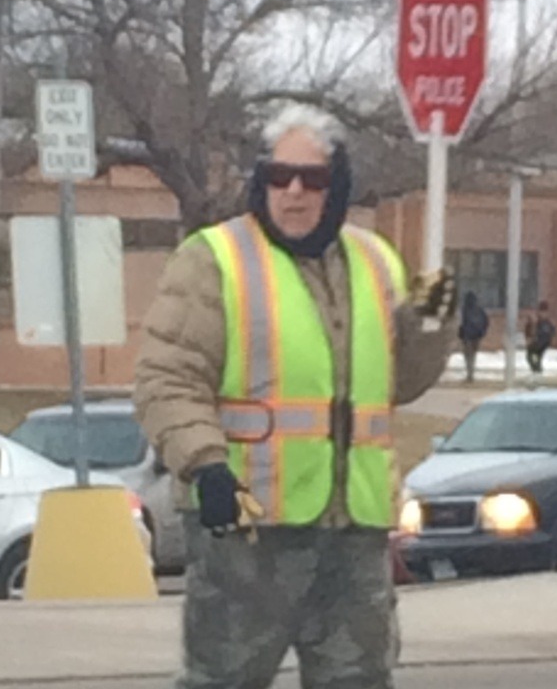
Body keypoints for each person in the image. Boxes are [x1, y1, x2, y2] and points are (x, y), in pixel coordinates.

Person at [133, 103, 457, 689]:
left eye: (313, 179)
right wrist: (205, 465)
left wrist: (429, 328)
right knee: (223, 680)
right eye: (279, 176)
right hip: (246, 530)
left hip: (353, 530)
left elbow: (399, 386)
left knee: (358, 680)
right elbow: (167, 379)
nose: (294, 192)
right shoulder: (214, 259)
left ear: (339, 187)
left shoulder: (377, 261)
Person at [458, 291, 489, 384]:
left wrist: (460, 334)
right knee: (473, 355)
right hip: (477, 336)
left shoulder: (464, 310)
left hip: (467, 336)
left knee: (468, 356)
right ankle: (471, 373)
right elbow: (486, 322)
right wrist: (482, 333)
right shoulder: (479, 310)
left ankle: (469, 374)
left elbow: (461, 323)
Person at [524, 301, 556, 374]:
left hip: (541, 343)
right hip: (538, 342)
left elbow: (552, 331)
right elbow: (528, 330)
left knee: (533, 356)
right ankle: (537, 369)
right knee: (532, 357)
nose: (543, 314)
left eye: (544, 312)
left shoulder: (546, 322)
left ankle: (537, 369)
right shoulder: (538, 320)